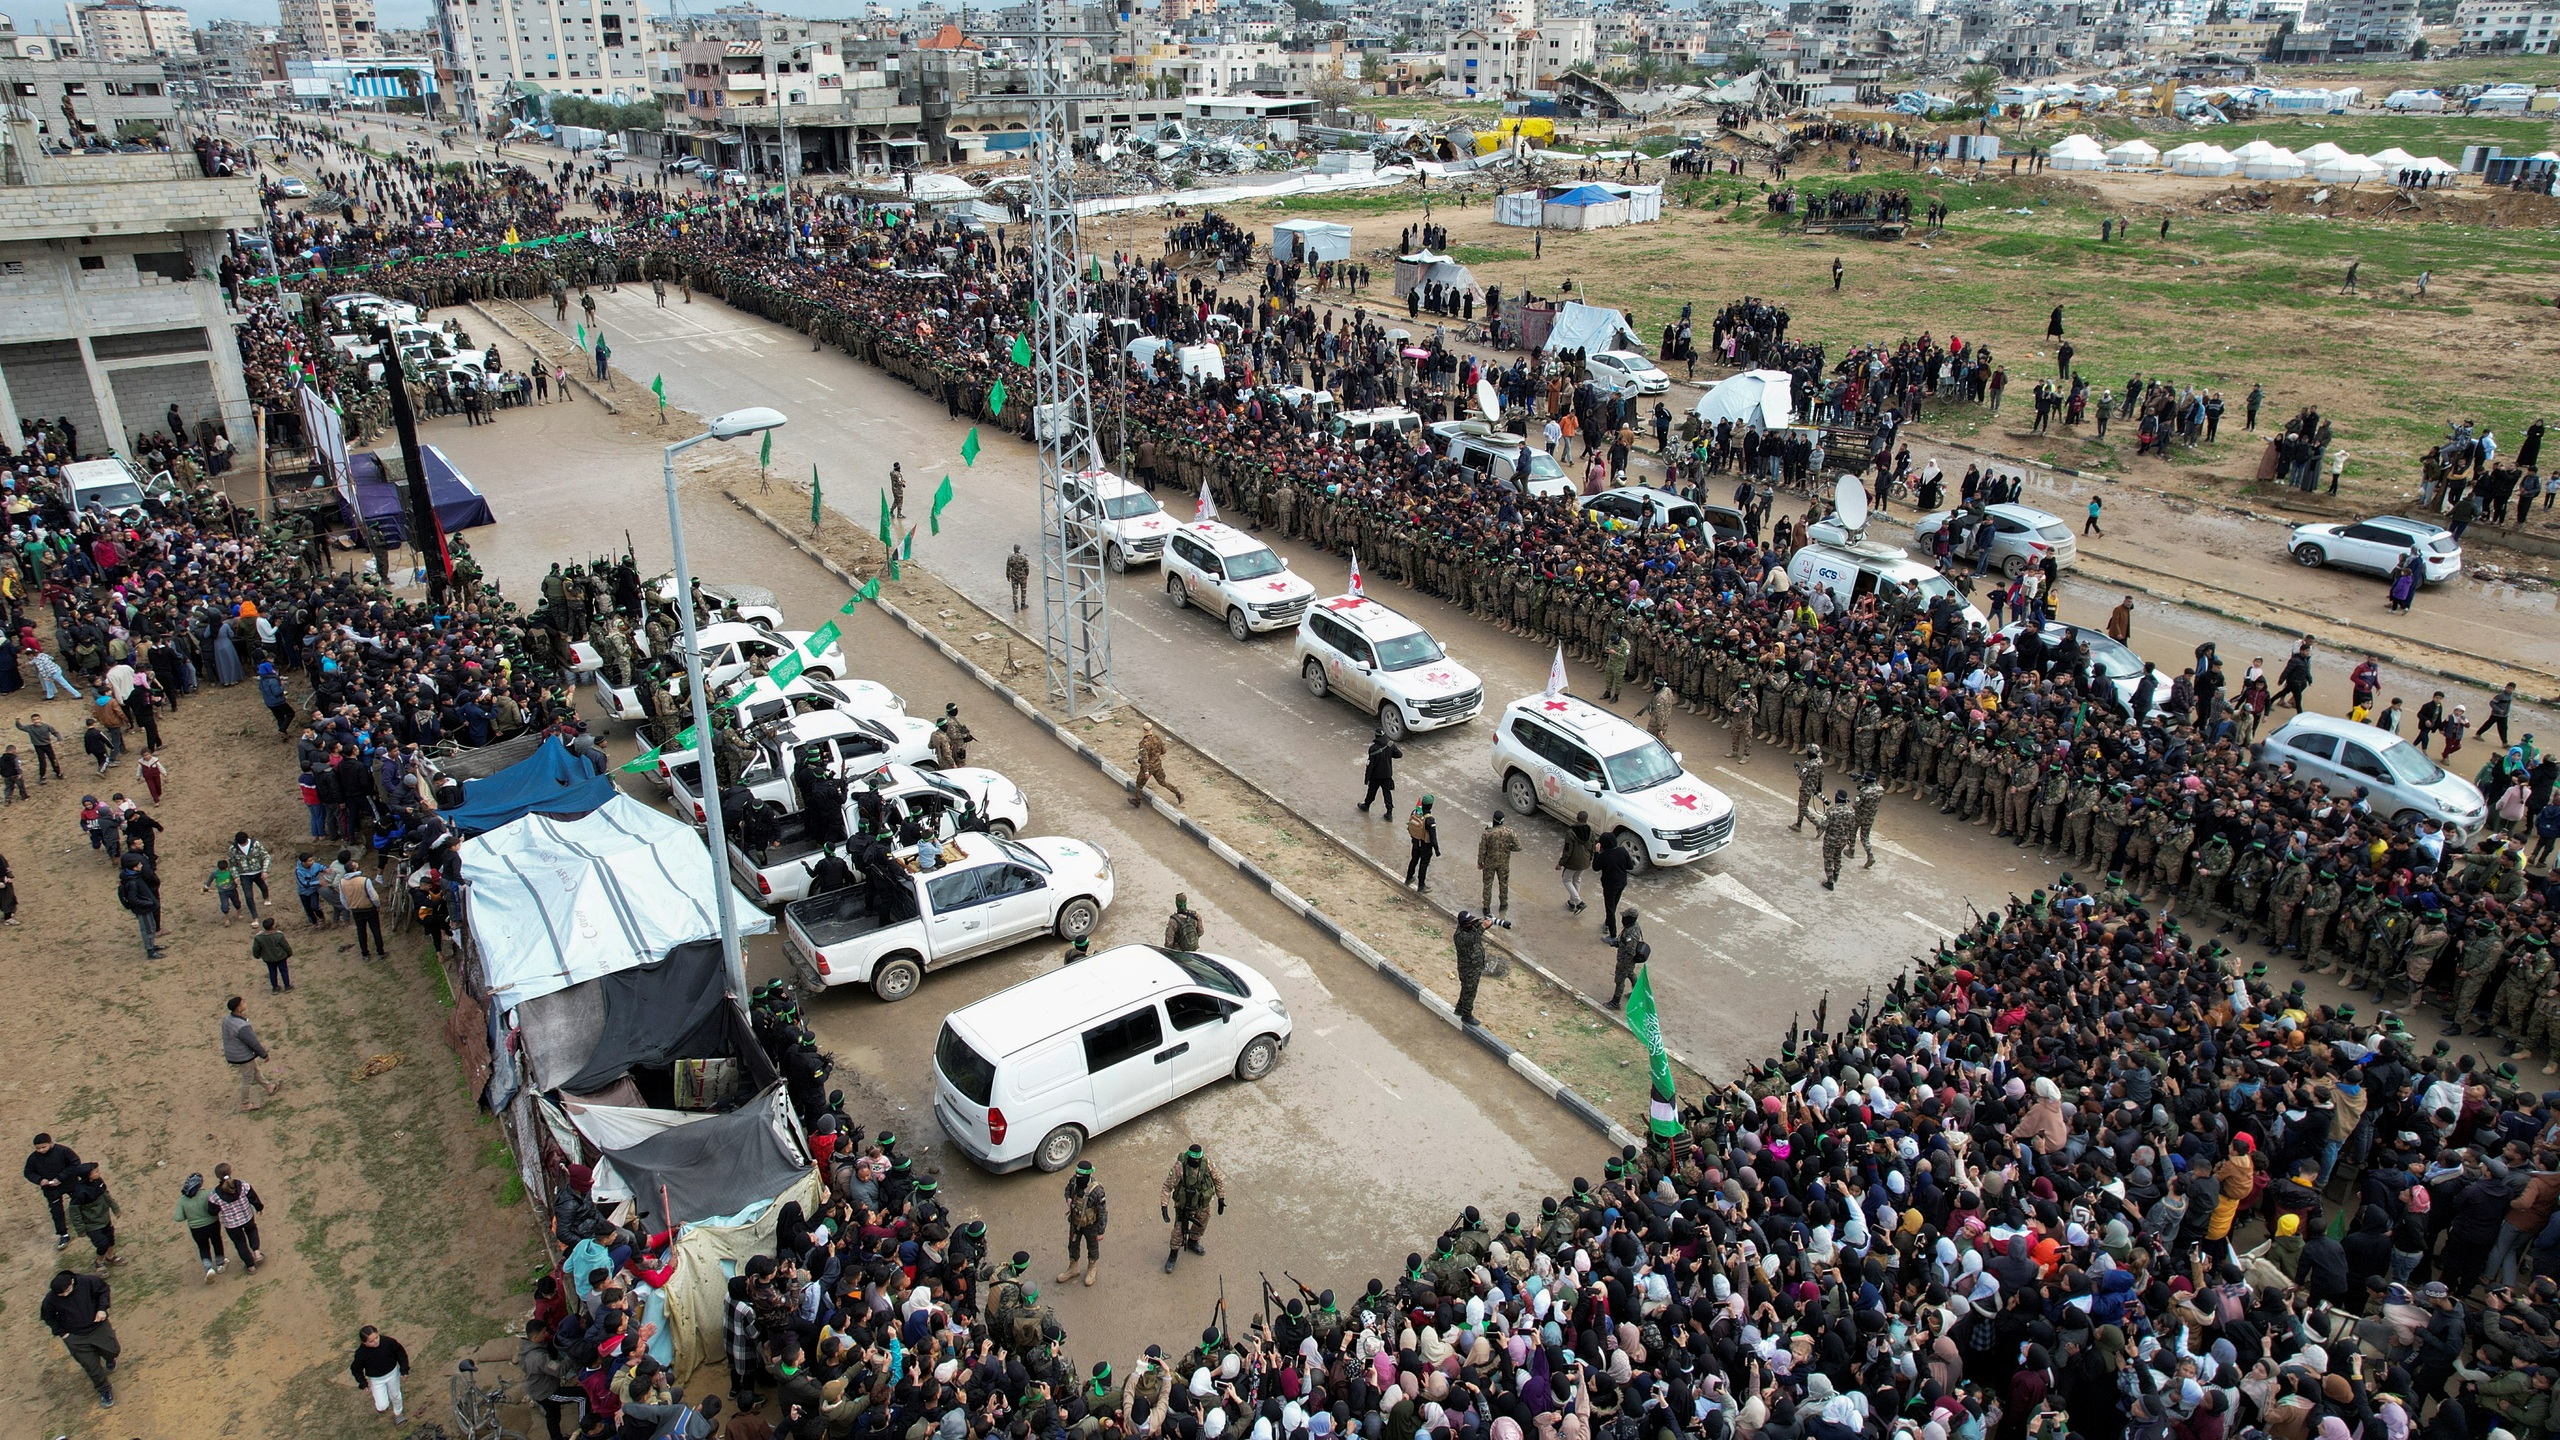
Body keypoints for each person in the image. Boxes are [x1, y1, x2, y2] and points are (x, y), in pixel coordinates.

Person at [40, 1269, 118, 1408]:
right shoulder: (51, 1299)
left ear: (72, 1282)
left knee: (113, 1350)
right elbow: (48, 1317)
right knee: (91, 1366)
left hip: (97, 1326)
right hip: (75, 1336)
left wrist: (102, 1309)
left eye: (66, 1291)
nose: (64, 1295)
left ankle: (109, 1358)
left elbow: (103, 1290)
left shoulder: (87, 1281)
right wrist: (63, 1333)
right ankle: (104, 1390)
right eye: (60, 1294)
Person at [1159, 1144, 1224, 1272]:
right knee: (1178, 1232)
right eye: (1193, 1160)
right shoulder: (1180, 1167)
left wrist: (1221, 1198)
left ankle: (1193, 1242)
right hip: (1184, 1206)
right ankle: (1173, 1255)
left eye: (1197, 1161)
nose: (1195, 1163)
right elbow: (1167, 1187)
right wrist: (1164, 1206)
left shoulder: (1207, 1164)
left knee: (1201, 1224)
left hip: (1201, 1205)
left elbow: (1218, 1180)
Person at [223, 995, 281, 1111]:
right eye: (243, 1002)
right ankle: (245, 1104)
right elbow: (252, 1042)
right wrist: (264, 1054)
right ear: (238, 1008)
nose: (245, 1003)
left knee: (255, 1070)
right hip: (243, 1056)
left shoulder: (227, 1020)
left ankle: (269, 1087)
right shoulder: (242, 1026)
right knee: (247, 1078)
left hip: (234, 1052)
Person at [25, 1132, 82, 1250]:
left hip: (69, 1183)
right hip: (51, 1190)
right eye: (38, 1148)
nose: (41, 1150)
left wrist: (60, 1178)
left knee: (80, 1201)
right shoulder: (33, 1158)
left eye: (43, 1147)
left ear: (51, 1143)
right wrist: (40, 1180)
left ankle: (87, 1220)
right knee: (56, 1212)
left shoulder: (63, 1151)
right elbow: (28, 1172)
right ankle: (63, 1234)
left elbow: (75, 1163)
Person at [350, 1325, 412, 1424]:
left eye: (376, 1337)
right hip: (376, 1380)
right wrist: (363, 1384)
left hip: (392, 1374)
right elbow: (356, 1369)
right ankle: (382, 1405)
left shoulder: (388, 1342)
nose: (376, 1341)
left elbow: (400, 1353)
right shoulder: (361, 1354)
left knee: (395, 1395)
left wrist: (404, 1369)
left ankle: (398, 1414)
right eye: (371, 1341)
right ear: (364, 1343)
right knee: (382, 1406)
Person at [1059, 1160, 1106, 1287]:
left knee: (1092, 1246)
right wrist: (1068, 1199)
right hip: (1075, 1222)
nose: (1078, 1178)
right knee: (1073, 1245)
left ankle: (1092, 1268)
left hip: (1091, 1225)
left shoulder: (1097, 1191)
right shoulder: (1074, 1182)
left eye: (1081, 1176)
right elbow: (1067, 1190)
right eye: (1077, 1175)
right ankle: (1073, 1268)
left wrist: (1101, 1231)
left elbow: (1102, 1212)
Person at [175, 1171, 225, 1282]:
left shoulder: (183, 1200)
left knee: (203, 1247)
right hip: (212, 1223)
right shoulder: (208, 1193)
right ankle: (220, 1264)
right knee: (217, 1241)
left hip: (196, 1229)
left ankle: (209, 1268)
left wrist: (189, 1216)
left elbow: (178, 1217)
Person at [1476, 812, 1519, 916]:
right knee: (1503, 884)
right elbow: (1518, 847)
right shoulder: (1509, 832)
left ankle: (1486, 907)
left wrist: (1480, 862)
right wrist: (1508, 848)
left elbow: (1482, 850)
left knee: (1487, 885)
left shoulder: (1487, 833)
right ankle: (1503, 904)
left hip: (1489, 863)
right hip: (1503, 863)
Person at [1130, 722, 1182, 807]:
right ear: (1151, 729)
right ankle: (1178, 793)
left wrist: (1146, 771)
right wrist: (1155, 755)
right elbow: (1163, 751)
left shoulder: (1143, 743)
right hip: (1157, 765)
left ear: (1143, 730)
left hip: (1148, 768)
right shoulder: (1157, 738)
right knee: (1163, 782)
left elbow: (1144, 758)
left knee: (1139, 784)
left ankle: (1137, 801)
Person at [1595, 830, 1635, 941]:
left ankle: (1612, 934)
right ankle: (1608, 922)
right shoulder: (1622, 851)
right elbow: (1630, 866)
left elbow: (1595, 867)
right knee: (1614, 904)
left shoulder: (1604, 856)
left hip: (1609, 885)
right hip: (1621, 882)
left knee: (1610, 908)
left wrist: (1596, 853)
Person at [1605, 909, 1648, 1007]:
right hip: (1628, 960)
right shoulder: (1634, 926)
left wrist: (1623, 963)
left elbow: (1630, 951)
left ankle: (1615, 1002)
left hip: (1626, 960)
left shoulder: (1631, 934)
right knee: (1630, 974)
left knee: (1620, 980)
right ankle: (1638, 992)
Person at [339, 864, 383, 959]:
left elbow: (343, 899)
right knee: (375, 930)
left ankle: (365, 954)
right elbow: (374, 896)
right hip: (369, 908)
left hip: (356, 910)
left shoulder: (342, 882)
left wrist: (350, 908)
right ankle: (380, 952)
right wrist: (377, 905)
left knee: (361, 931)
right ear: (354, 869)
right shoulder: (365, 880)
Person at [1556, 809, 1594, 915]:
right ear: (1586, 819)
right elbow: (1592, 848)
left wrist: (1561, 863)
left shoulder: (1571, 832)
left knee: (1566, 880)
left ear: (1577, 818)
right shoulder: (1591, 832)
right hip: (1585, 861)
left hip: (1573, 862)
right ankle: (1572, 903)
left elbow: (1568, 850)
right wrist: (1590, 859)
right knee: (1577, 879)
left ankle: (1579, 902)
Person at [1358, 730, 1401, 813]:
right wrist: (1389, 754)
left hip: (1376, 776)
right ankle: (1389, 812)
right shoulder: (1390, 745)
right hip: (1387, 775)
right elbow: (1399, 755)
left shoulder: (1373, 748)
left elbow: (1370, 766)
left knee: (1371, 792)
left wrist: (1367, 779)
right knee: (1387, 793)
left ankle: (1366, 805)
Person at [1403, 796, 1440, 891]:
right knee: (1423, 864)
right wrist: (1436, 849)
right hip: (1425, 845)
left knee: (1414, 859)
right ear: (1431, 806)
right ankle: (1421, 885)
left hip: (1415, 841)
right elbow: (1433, 836)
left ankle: (1409, 878)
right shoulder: (1429, 820)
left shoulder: (1415, 812)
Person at [252, 917, 294, 992]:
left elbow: (256, 948)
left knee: (272, 972)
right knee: (284, 971)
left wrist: (256, 955)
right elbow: (285, 945)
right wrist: (289, 953)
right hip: (281, 957)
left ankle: (275, 988)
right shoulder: (278, 935)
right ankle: (287, 986)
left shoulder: (259, 937)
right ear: (272, 926)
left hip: (268, 958)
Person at [1006, 544, 1030, 612]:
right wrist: (1026, 574)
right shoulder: (1023, 557)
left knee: (1015, 592)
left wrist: (1008, 576)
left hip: (1014, 576)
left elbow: (1008, 567)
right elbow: (1027, 567)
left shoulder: (1010, 557)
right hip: (1022, 576)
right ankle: (1023, 604)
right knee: (1023, 590)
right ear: (1019, 550)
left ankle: (1016, 606)